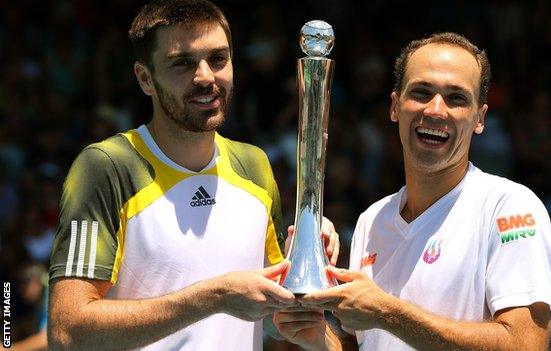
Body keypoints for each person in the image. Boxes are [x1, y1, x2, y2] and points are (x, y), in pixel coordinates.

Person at [47, 1, 338, 350]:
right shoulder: (107, 167)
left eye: (218, 59)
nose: (205, 77)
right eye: (183, 63)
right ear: (145, 78)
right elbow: (67, 332)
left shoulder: (254, 165)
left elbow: (271, 317)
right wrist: (213, 297)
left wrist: (307, 260)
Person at [274, 32, 551, 350]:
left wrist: (385, 311)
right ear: (395, 106)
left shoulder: (509, 208)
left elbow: (525, 344)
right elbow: (371, 343)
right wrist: (319, 337)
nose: (436, 110)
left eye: (456, 98)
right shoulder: (372, 220)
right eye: (421, 93)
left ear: (480, 118)